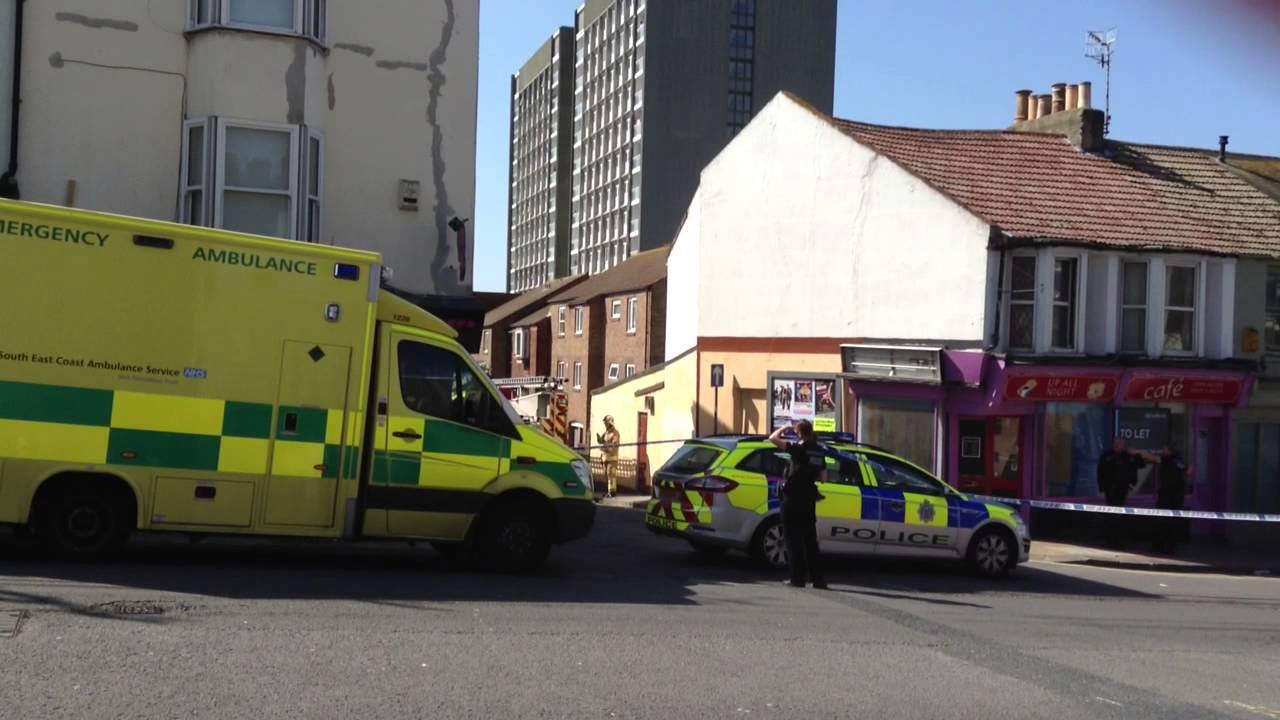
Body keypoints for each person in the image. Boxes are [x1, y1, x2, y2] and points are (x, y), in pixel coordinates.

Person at [769, 420, 828, 589]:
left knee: (793, 540)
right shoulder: (819, 452)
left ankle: (797, 578)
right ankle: (818, 580)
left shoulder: (798, 449)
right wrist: (809, 476)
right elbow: (824, 479)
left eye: (796, 432)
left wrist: (784, 428)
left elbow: (772, 438)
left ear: (800, 433)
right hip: (809, 500)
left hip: (792, 499)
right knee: (810, 541)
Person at [1096, 438, 1157, 548]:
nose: (1118, 446)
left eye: (1120, 444)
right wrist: (1101, 489)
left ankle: (1117, 540)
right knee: (1110, 515)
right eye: (1116, 444)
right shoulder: (1107, 456)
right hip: (1110, 489)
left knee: (1119, 515)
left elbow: (1142, 464)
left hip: (1123, 489)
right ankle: (1109, 540)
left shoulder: (1128, 455)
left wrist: (1137, 453)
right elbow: (1101, 473)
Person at [1153, 446, 1189, 554]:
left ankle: (1160, 546)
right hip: (1177, 497)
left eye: (1164, 450)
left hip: (1166, 496)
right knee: (1173, 523)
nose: (1163, 451)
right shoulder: (1179, 462)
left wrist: (1137, 452)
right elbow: (1189, 471)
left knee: (1162, 522)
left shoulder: (1166, 460)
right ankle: (1171, 548)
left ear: (1170, 451)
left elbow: (1154, 459)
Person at [596, 416, 621, 498]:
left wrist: (605, 445)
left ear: (610, 423)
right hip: (605, 458)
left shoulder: (615, 433)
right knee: (606, 475)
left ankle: (612, 492)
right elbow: (603, 444)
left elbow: (614, 446)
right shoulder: (606, 433)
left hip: (612, 458)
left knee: (611, 475)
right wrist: (600, 441)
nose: (605, 425)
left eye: (606, 423)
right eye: (604, 423)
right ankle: (608, 491)